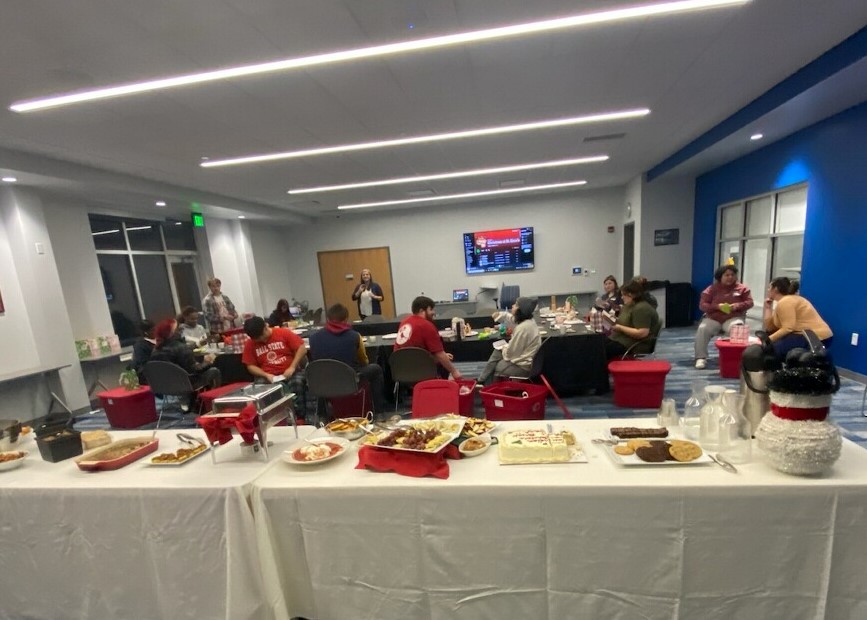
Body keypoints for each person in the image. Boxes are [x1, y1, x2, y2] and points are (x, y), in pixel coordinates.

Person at [308, 303, 386, 414]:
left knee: (322, 373)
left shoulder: (313, 338)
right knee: (376, 369)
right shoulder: (354, 336)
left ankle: (322, 414)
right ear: (345, 319)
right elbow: (364, 361)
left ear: (328, 319)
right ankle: (379, 412)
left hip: (324, 382)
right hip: (349, 380)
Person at [693, 265, 754, 369]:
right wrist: (717, 306)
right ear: (720, 277)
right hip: (713, 318)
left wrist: (737, 306)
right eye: (727, 275)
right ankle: (701, 358)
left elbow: (750, 302)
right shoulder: (711, 289)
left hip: (733, 317)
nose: (730, 277)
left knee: (738, 327)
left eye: (732, 275)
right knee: (703, 329)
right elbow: (702, 305)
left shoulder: (742, 289)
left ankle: (737, 359)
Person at [150, 319, 221, 406]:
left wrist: (198, 344)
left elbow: (178, 352)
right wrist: (208, 361)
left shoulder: (156, 349)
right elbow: (195, 370)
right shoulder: (181, 348)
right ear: (173, 333)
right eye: (178, 329)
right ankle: (211, 402)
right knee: (214, 371)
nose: (181, 330)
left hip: (164, 386)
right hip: (185, 384)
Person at [394, 296, 463, 380]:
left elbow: (411, 353)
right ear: (422, 311)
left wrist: (441, 357)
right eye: (431, 309)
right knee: (444, 362)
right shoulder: (427, 325)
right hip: (422, 371)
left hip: (402, 370)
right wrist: (454, 371)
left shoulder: (404, 322)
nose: (433, 312)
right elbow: (440, 355)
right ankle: (439, 387)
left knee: (444, 358)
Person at [242, 316, 308, 403]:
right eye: (258, 339)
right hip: (268, 375)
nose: (262, 340)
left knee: (297, 383)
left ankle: (298, 412)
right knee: (260, 389)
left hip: (290, 372)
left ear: (266, 327)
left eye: (262, 336)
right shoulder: (250, 344)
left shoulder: (283, 333)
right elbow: (250, 366)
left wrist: (292, 367)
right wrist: (265, 375)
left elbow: (302, 348)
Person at [763, 277, 832, 358]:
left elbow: (788, 328)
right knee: (772, 346)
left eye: (769, 287)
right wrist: (768, 308)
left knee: (772, 350)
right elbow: (769, 328)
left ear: (776, 289)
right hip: (805, 335)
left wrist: (767, 341)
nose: (768, 290)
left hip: (815, 337)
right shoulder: (784, 302)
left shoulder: (786, 302)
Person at [478, 297, 541, 385]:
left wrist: (503, 348)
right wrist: (500, 315)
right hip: (529, 362)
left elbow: (510, 353)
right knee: (497, 353)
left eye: (515, 305)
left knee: (496, 365)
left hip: (523, 367)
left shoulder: (522, 328)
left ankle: (487, 386)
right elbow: (512, 319)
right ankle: (482, 381)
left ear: (520, 310)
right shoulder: (529, 322)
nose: (512, 306)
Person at [605, 280, 661, 360]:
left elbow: (642, 333)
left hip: (632, 344)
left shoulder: (642, 308)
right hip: (621, 339)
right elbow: (626, 321)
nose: (622, 297)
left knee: (599, 350)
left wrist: (620, 328)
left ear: (631, 295)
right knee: (596, 344)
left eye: (623, 295)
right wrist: (613, 319)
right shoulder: (629, 305)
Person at [130, 319, 156, 384]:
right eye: (153, 330)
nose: (155, 331)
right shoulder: (140, 346)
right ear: (146, 332)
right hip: (149, 374)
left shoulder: (160, 339)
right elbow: (143, 363)